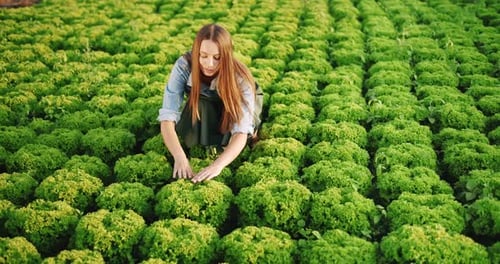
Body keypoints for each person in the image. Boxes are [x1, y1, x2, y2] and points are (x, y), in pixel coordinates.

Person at [158, 24, 262, 183]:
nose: (209, 63)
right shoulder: (184, 65)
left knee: (242, 135)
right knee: (199, 109)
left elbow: (241, 131)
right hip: (206, 100)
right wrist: (180, 157)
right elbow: (167, 116)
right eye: (203, 55)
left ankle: (250, 133)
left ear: (226, 56)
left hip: (235, 105)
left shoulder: (240, 78)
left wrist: (217, 165)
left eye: (217, 58)